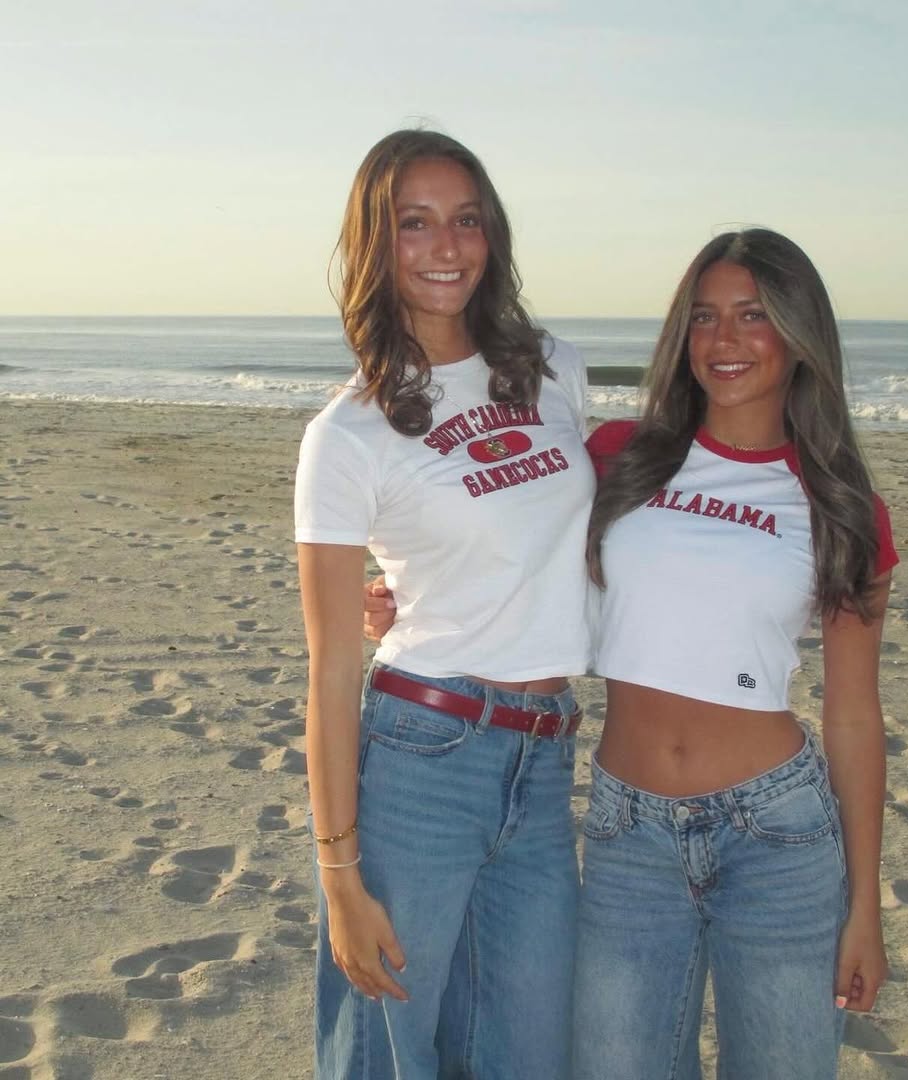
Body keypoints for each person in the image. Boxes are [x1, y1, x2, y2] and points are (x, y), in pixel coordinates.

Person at [294, 129, 594, 1080]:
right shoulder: (347, 433)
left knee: (527, 1053)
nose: (447, 246)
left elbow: (557, 541)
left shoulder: (555, 368)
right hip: (423, 757)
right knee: (385, 1054)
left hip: (545, 758)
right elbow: (331, 671)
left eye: (466, 220)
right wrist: (339, 879)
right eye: (414, 223)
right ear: (376, 244)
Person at [573, 227, 897, 1079]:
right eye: (705, 316)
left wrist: (865, 907)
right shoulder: (620, 457)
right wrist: (401, 600)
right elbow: (508, 556)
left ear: (798, 332)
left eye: (753, 315)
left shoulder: (841, 505)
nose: (724, 339)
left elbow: (854, 715)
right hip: (628, 833)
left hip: (777, 835)